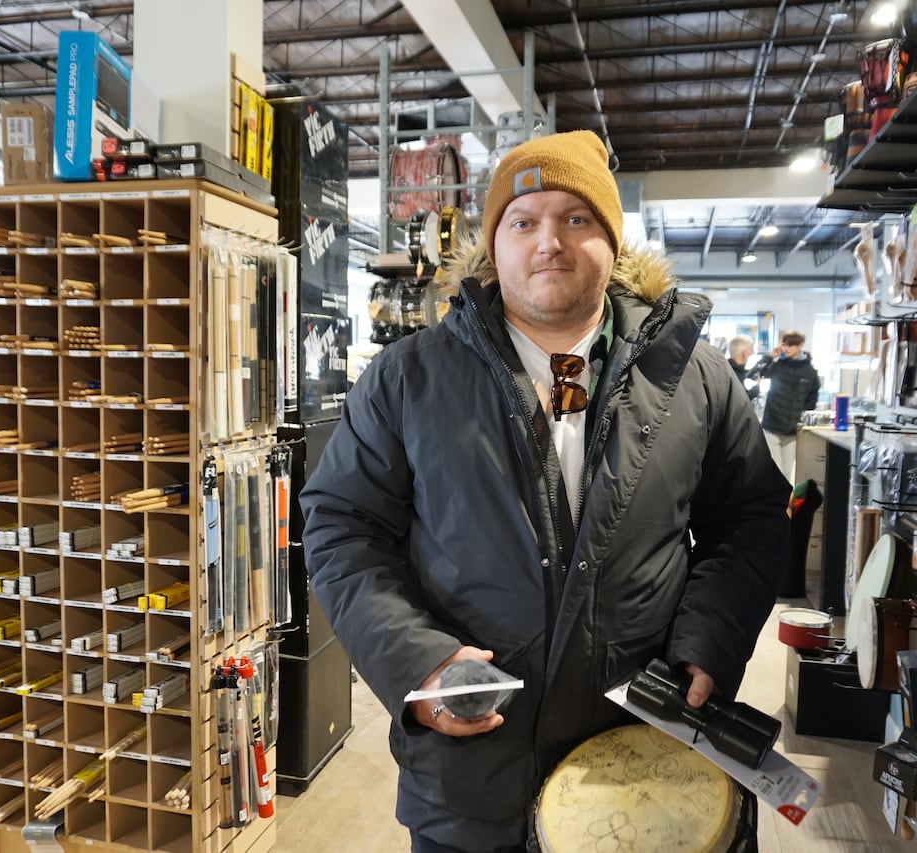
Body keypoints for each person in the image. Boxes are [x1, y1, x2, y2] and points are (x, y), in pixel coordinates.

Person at [300, 129, 789, 852]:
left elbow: (751, 517)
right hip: (470, 772)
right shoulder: (410, 379)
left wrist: (710, 640)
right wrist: (420, 662)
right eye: (523, 221)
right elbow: (342, 529)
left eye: (576, 218)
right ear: (494, 244)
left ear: (612, 242)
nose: (548, 243)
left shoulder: (694, 376)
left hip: (636, 767)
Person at [755, 329, 821, 482]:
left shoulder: (810, 372)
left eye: (792, 344)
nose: (787, 348)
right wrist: (769, 357)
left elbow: (812, 400)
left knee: (786, 473)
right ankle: (775, 504)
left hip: (793, 430)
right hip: (772, 426)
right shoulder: (777, 365)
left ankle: (784, 505)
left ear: (800, 345)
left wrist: (801, 421)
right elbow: (753, 375)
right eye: (785, 344)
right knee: (773, 470)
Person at [727, 334, 759, 400]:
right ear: (744, 352)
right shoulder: (734, 374)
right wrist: (757, 388)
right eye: (750, 350)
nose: (751, 353)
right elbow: (741, 400)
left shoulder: (727, 367)